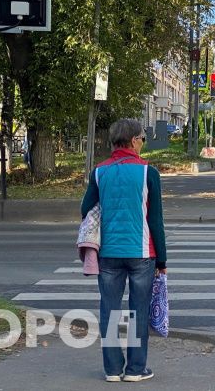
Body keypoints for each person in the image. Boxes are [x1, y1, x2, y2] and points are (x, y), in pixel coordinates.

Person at [80, 119, 167, 383]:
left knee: (109, 309)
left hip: (108, 252)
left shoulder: (100, 171)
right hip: (142, 252)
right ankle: (135, 370)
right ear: (132, 141)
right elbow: (155, 220)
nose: (143, 143)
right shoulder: (147, 173)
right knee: (137, 311)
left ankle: (112, 369)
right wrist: (162, 259)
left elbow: (86, 208)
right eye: (142, 138)